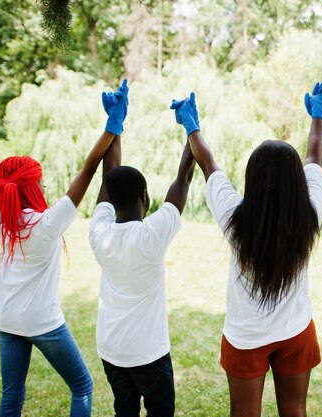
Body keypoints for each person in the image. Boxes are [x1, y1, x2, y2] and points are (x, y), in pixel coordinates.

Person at [0, 63, 129, 417]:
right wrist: (113, 126)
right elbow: (90, 168)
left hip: (6, 320)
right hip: (43, 323)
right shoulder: (46, 224)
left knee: (12, 395)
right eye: (40, 182)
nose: (45, 186)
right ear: (32, 187)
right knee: (82, 386)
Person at [169, 85, 322, 417]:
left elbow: (208, 163)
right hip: (296, 331)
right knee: (295, 411)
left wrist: (191, 126)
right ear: (296, 180)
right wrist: (317, 115)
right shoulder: (311, 212)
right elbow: (315, 155)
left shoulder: (234, 217)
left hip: (246, 337)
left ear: (252, 179)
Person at [88, 114, 196, 416]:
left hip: (110, 349)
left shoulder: (98, 233)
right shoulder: (151, 236)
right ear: (144, 196)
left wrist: (114, 127)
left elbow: (108, 178)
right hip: (148, 353)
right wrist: (191, 131)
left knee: (124, 410)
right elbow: (183, 181)